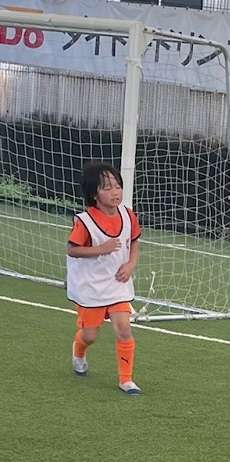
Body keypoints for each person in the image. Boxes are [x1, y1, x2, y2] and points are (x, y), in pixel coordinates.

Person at [66, 162, 142, 395]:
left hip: (118, 285)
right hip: (91, 288)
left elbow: (135, 242)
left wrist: (130, 265)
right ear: (94, 193)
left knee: (124, 328)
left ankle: (126, 380)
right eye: (107, 188)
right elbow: (72, 250)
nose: (115, 192)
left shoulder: (128, 215)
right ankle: (79, 351)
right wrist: (101, 249)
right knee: (90, 335)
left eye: (118, 186)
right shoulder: (85, 221)